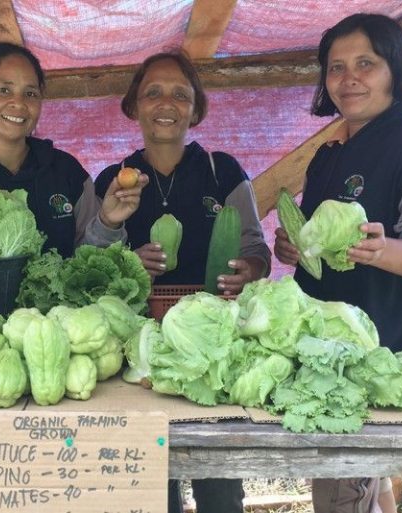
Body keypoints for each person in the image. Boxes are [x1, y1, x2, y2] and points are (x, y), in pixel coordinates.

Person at [274, 13, 402, 513]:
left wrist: (385, 251)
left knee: (340, 495)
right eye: (336, 68)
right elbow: (314, 250)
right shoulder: (331, 154)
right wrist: (293, 248)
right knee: (366, 487)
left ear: (395, 70)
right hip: (325, 357)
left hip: (374, 362)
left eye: (366, 63)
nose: (348, 78)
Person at [95, 50, 271, 513]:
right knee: (149, 484)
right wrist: (125, 261)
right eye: (153, 92)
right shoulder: (112, 181)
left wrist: (246, 271)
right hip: (139, 351)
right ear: (134, 106)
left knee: (219, 485)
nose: (166, 102)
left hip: (213, 345)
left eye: (180, 93)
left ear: (196, 108)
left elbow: (257, 249)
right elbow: (85, 260)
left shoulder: (223, 172)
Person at [0, 42, 147, 258]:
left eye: (30, 93)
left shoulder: (67, 172)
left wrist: (108, 221)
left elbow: (93, 267)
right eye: (4, 90)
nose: (18, 103)